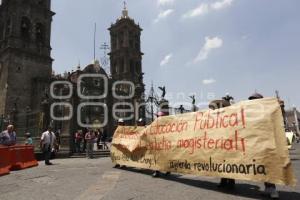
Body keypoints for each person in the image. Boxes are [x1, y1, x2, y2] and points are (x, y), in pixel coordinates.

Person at [248, 92, 279, 199]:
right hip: (257, 142)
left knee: (267, 165)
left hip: (267, 142)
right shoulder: (251, 112)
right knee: (262, 166)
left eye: (254, 99)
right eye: (251, 100)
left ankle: (272, 189)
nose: (253, 101)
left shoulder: (267, 110)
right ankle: (269, 188)